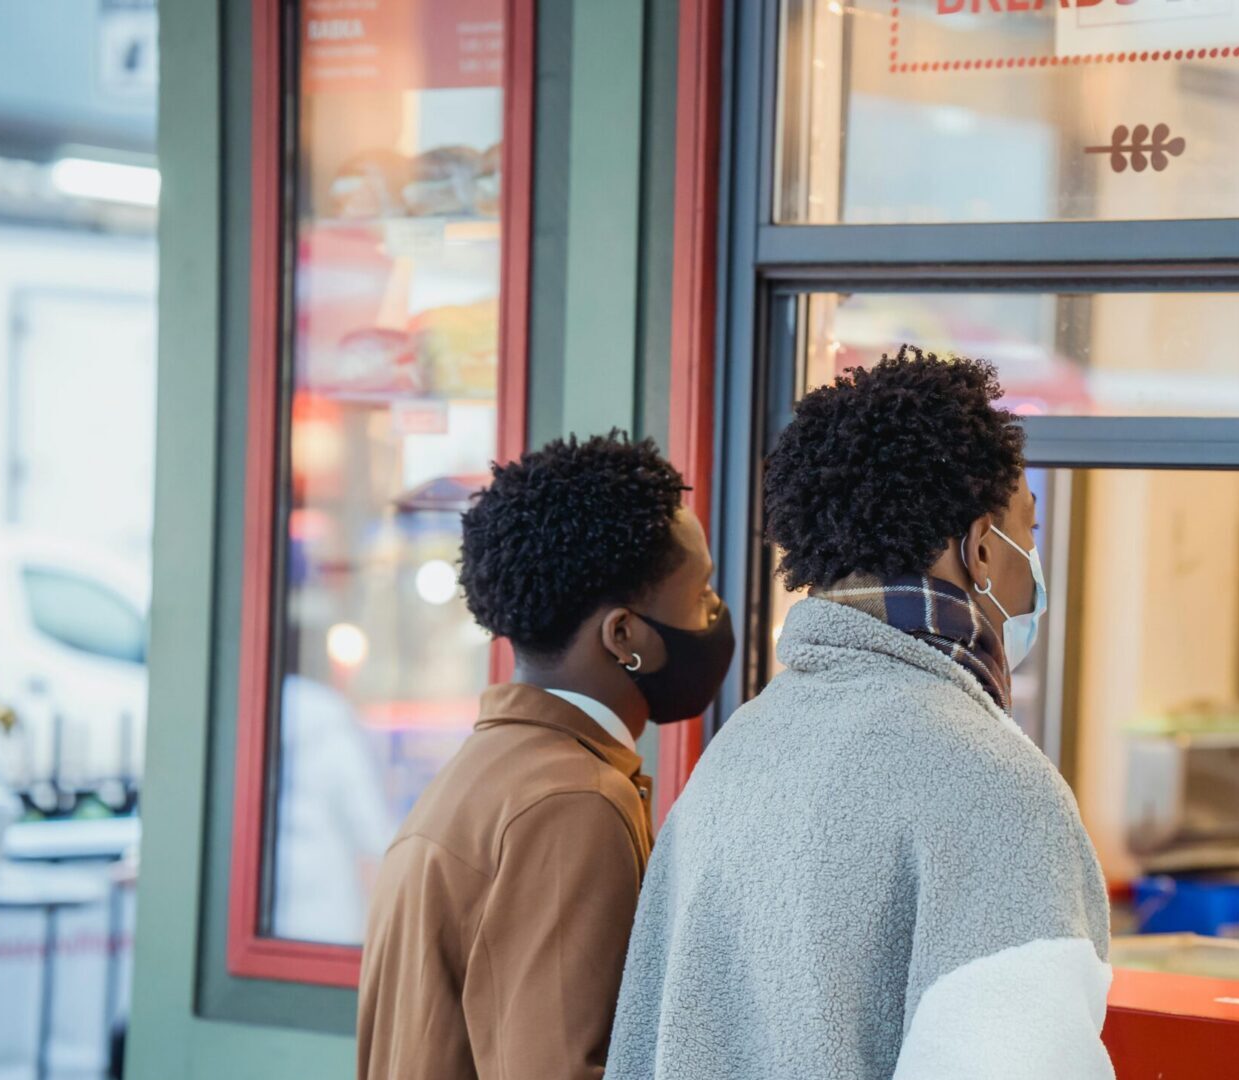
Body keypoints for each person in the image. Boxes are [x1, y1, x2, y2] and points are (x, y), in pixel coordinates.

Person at [608, 348, 1116, 1080]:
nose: (1030, 562)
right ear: (978, 549)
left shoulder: (736, 752)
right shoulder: (995, 787)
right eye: (1026, 534)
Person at [357, 432, 734, 1080]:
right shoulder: (575, 803)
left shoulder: (485, 773)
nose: (715, 613)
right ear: (625, 637)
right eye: (701, 594)